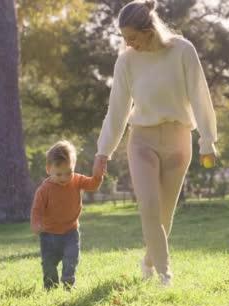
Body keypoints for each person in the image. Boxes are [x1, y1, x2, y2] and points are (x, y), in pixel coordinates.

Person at [92, 0, 218, 287]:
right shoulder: (126, 61)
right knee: (148, 207)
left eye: (133, 37)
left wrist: (208, 141)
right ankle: (165, 274)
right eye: (124, 38)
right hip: (142, 140)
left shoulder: (183, 51)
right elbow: (117, 111)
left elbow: (200, 97)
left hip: (178, 139)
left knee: (165, 215)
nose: (128, 43)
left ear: (149, 29)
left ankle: (149, 260)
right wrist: (104, 151)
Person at [30, 140, 105, 290]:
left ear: (73, 167)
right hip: (49, 234)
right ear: (48, 169)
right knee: (49, 263)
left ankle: (68, 282)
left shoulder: (76, 180)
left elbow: (92, 185)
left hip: (71, 231)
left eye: (68, 172)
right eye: (59, 174)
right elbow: (37, 210)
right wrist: (36, 224)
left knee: (72, 257)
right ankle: (50, 287)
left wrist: (98, 175)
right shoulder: (44, 190)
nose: (64, 178)